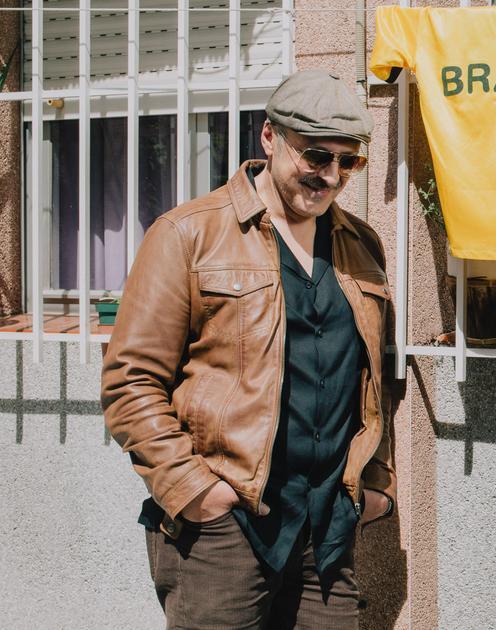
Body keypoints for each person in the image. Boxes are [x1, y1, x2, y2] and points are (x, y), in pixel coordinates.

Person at [101, 70, 397, 628]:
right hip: (224, 530)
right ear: (269, 138)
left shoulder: (361, 244)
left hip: (327, 529)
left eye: (347, 162)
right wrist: (195, 492)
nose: (330, 177)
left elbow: (375, 378)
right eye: (315, 156)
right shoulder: (188, 233)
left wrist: (374, 483)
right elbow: (130, 380)